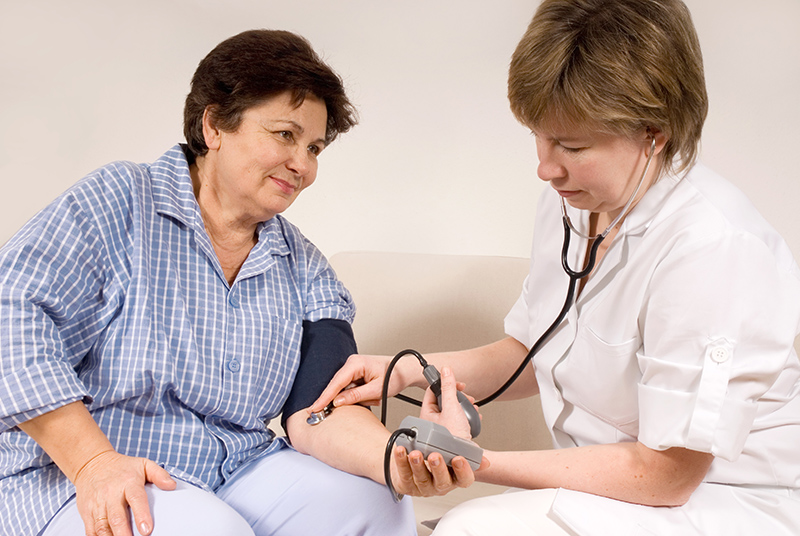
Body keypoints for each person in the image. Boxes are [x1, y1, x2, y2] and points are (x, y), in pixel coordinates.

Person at [312, 0, 800, 534]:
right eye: (538, 137)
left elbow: (667, 476)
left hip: (724, 502)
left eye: (571, 145)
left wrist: (474, 461)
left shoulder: (713, 249)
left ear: (654, 132)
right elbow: (531, 350)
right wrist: (405, 368)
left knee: (471, 528)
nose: (545, 168)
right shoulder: (574, 202)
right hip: (610, 492)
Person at [0, 29, 473, 536]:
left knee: (377, 503)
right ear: (214, 125)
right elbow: (12, 315)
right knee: (209, 529)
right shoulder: (120, 201)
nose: (304, 165)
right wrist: (92, 463)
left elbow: (323, 408)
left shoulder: (306, 267)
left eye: (314, 147)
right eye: (285, 135)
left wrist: (395, 459)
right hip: (87, 467)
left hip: (236, 469)